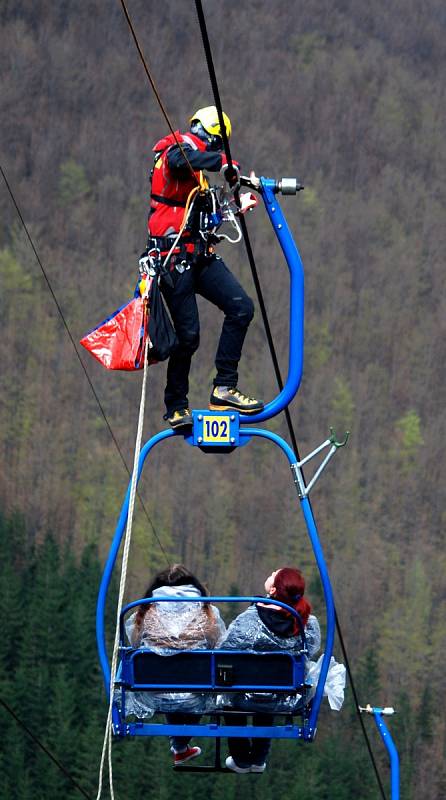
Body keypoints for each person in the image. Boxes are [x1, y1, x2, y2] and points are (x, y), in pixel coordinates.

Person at [143, 105, 264, 428]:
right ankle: (176, 405)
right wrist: (223, 163)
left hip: (198, 255)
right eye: (217, 146)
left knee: (241, 307)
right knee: (189, 335)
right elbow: (181, 159)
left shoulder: (195, 176)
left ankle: (224, 387)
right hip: (173, 258)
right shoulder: (175, 151)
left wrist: (235, 206)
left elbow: (202, 212)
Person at [218, 567, 321, 773]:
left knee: (234, 690)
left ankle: (241, 758)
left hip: (244, 697)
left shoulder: (251, 619)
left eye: (274, 574)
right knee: (272, 687)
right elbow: (309, 650)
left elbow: (226, 650)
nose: (271, 572)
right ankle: (258, 758)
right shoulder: (306, 623)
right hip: (285, 697)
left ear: (273, 590)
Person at [125, 564, 226, 766]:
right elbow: (220, 644)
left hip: (153, 694)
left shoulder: (145, 611)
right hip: (196, 695)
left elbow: (134, 644)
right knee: (197, 680)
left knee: (167, 675)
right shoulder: (207, 611)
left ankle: (180, 748)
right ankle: (180, 746)